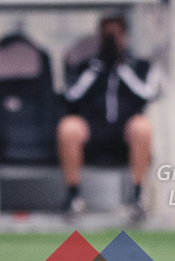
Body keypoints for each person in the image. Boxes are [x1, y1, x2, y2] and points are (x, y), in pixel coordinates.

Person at [57, 15, 161, 220]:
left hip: (124, 133)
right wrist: (97, 70)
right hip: (93, 130)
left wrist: (121, 69)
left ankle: (138, 197)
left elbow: (147, 95)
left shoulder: (139, 66)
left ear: (125, 36)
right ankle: (74, 196)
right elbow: (71, 96)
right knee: (68, 127)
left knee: (142, 126)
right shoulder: (86, 66)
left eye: (116, 34)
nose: (112, 39)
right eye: (107, 35)